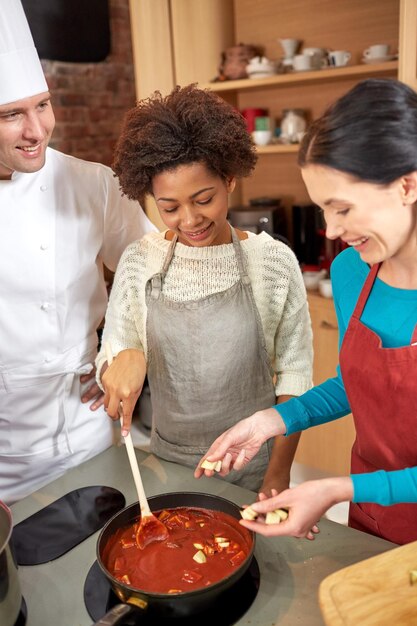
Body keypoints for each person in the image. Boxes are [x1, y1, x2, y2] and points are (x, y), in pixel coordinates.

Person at [196, 77, 417, 545]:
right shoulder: (352, 272)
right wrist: (272, 421)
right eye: (323, 211)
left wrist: (336, 489)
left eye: (343, 209)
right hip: (375, 516)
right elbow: (357, 382)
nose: (333, 230)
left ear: (407, 184)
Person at [96, 83, 313, 494]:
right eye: (170, 207)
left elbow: (295, 377)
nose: (190, 219)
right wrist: (121, 358)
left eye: (203, 198)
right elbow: (115, 358)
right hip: (169, 464)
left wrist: (278, 473)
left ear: (230, 179)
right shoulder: (140, 261)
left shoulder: (273, 263)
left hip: (253, 464)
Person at [0, 0, 155, 505]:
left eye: (42, 105)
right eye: (11, 115)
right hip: (7, 453)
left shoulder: (91, 183)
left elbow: (153, 269)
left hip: (91, 427)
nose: (37, 130)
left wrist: (125, 346)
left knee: (99, 560)